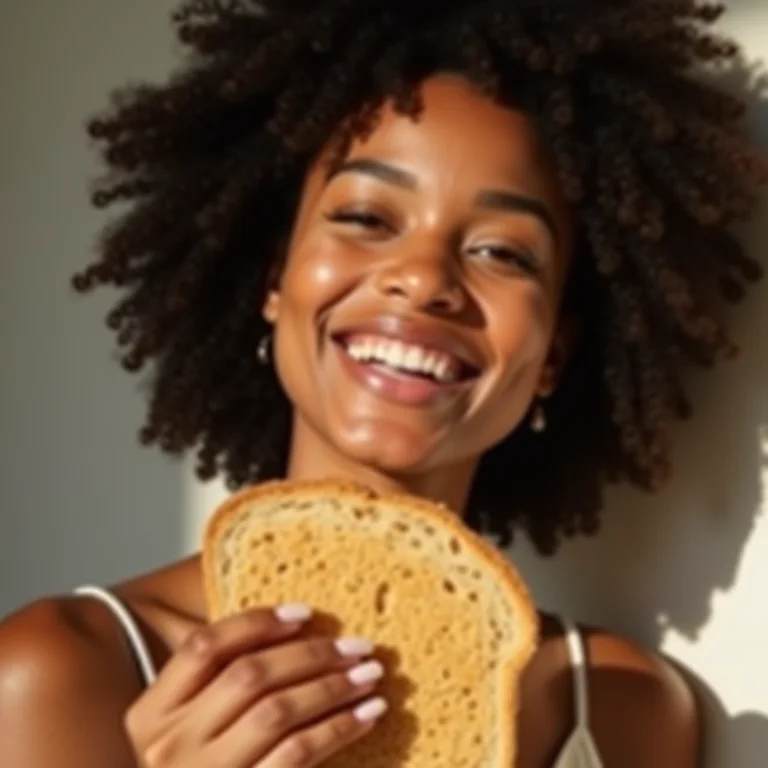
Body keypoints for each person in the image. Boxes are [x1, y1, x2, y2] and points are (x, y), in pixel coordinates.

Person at [0, 1, 765, 766]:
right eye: (366, 218)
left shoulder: (623, 707)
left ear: (553, 354)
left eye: (503, 252)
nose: (424, 279)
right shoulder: (57, 673)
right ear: (275, 279)